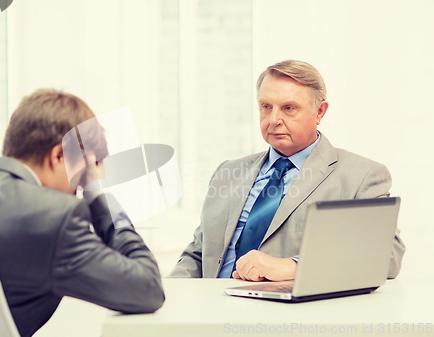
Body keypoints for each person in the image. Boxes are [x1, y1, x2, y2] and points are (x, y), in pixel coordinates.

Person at [0, 89, 165, 337]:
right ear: (58, 156)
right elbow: (147, 288)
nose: (77, 191)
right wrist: (98, 194)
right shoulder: (55, 218)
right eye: (79, 180)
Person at [170, 60, 405, 282]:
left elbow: (388, 257)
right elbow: (198, 255)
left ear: (320, 112)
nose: (273, 119)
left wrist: (293, 266)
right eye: (266, 107)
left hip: (288, 318)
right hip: (209, 314)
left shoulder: (361, 177)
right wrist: (171, 294)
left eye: (289, 108)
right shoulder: (227, 172)